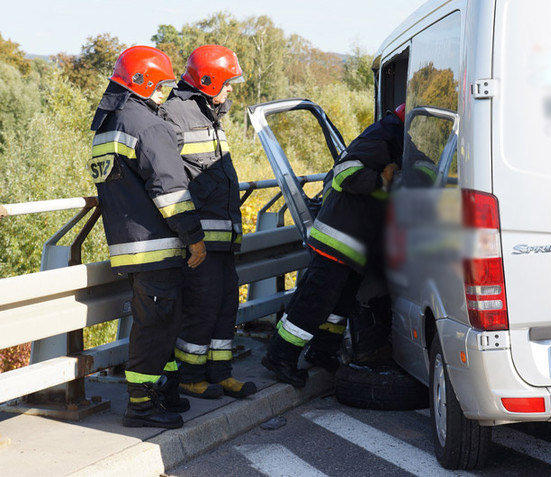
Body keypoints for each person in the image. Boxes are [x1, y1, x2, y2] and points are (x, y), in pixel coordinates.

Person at [89, 45, 207, 428]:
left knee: (162, 321)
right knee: (156, 325)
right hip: (156, 245)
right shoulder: (148, 125)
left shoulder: (109, 124)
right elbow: (170, 189)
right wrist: (193, 236)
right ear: (142, 83)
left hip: (130, 244)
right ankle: (140, 405)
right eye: (161, 86)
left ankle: (164, 390)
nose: (164, 94)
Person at [262, 104, 406, 387]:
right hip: (337, 241)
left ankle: (322, 351)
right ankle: (281, 356)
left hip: (353, 246)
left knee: (337, 306)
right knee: (313, 303)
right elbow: (343, 173)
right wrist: (381, 181)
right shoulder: (381, 137)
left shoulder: (394, 139)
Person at [160, 45, 257, 400]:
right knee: (200, 308)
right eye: (227, 82)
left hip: (222, 238)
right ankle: (190, 376)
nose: (230, 89)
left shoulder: (210, 116)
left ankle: (220, 373)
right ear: (208, 80)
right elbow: (169, 180)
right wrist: (190, 235)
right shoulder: (174, 114)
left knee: (224, 305)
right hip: (198, 240)